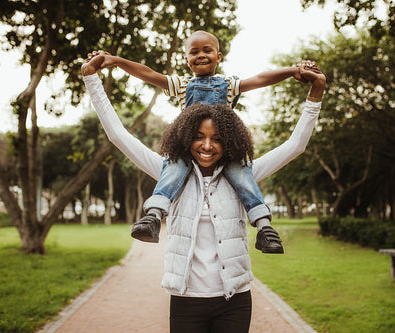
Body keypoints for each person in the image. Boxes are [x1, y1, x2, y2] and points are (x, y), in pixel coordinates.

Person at [81, 54, 325, 333]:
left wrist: (316, 93)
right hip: (186, 300)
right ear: (186, 136)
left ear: (230, 140)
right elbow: (118, 135)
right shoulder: (167, 173)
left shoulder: (245, 174)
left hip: (234, 300)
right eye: (199, 136)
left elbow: (295, 146)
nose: (207, 145)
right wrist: (92, 79)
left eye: (217, 138)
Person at [87, 30, 308, 254]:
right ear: (186, 60)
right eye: (194, 52)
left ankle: (264, 228)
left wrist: (292, 71)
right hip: (187, 150)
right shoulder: (182, 85)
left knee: (244, 177)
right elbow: (148, 74)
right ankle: (153, 216)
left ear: (219, 56)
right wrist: (116, 61)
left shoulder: (229, 84)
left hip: (225, 151)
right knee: (171, 171)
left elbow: (260, 79)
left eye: (207, 50)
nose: (200, 55)